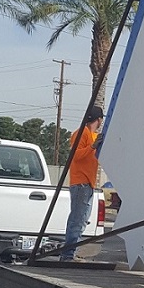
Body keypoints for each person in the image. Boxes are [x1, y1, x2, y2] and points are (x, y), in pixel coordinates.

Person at [61, 105, 103, 261]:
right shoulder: (81, 134)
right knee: (77, 220)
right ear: (99, 120)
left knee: (82, 220)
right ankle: (67, 255)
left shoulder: (92, 136)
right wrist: (92, 146)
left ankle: (70, 252)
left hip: (87, 184)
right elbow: (75, 155)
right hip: (81, 183)